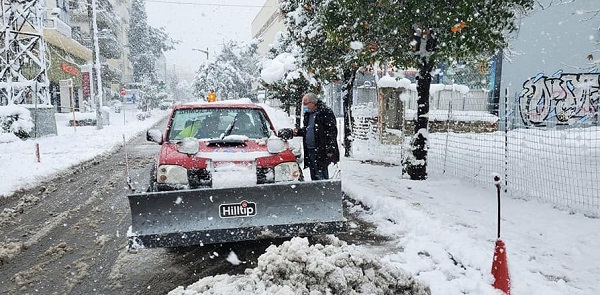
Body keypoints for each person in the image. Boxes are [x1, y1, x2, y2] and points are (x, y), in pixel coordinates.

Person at [294, 92, 340, 180]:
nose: (304, 107)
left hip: (321, 149)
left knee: (321, 172)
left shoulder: (324, 113)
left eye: (306, 104)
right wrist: (298, 132)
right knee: (313, 172)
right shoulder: (308, 114)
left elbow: (331, 132)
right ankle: (315, 189)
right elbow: (308, 129)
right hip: (310, 149)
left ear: (313, 103)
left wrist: (330, 148)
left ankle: (324, 190)